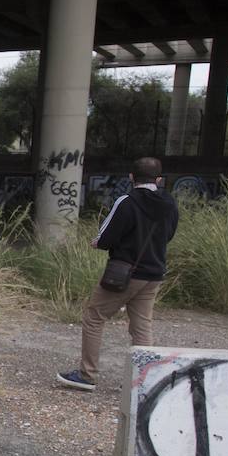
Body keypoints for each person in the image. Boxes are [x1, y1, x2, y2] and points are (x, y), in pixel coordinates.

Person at [57, 157, 179, 392]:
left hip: (124, 273)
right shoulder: (169, 203)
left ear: (131, 177)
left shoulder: (127, 202)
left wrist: (98, 243)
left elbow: (106, 237)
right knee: (142, 325)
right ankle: (144, 381)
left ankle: (87, 374)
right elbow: (169, 234)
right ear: (159, 179)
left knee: (94, 316)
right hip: (154, 273)